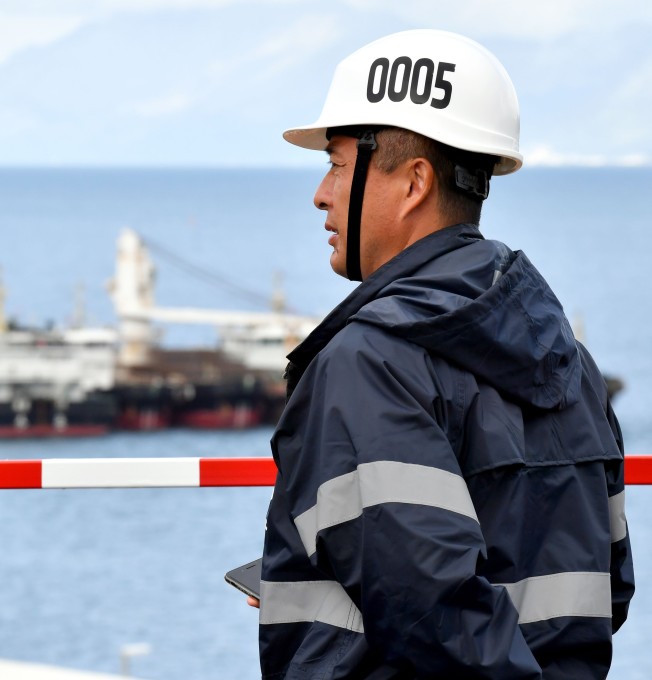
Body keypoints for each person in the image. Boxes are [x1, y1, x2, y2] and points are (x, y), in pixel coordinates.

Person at [255, 30, 634, 678]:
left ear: (413, 184)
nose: (321, 193)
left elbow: (432, 617)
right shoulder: (570, 363)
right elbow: (606, 588)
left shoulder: (367, 365)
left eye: (339, 164)